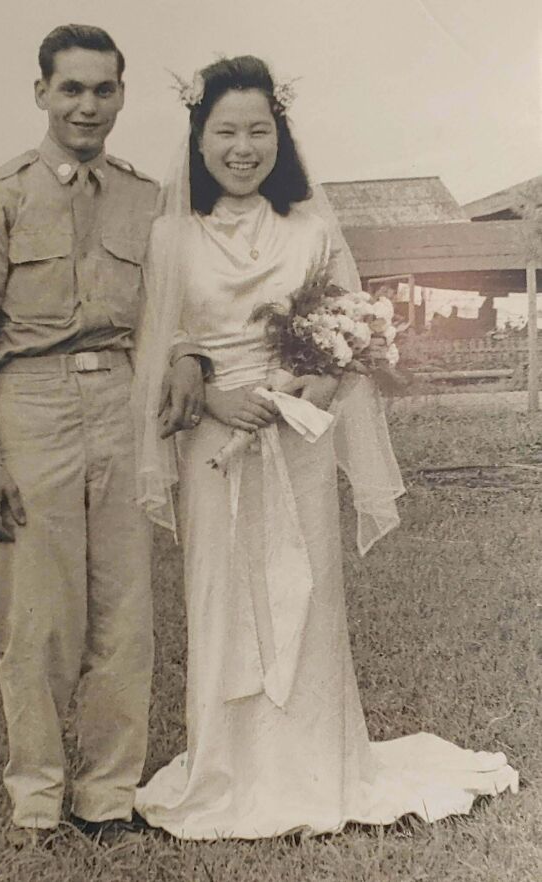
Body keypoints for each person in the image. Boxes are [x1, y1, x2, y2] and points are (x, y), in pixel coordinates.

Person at [132, 55, 518, 840]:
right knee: (221, 597)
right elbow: (159, 341)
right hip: (215, 440)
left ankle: (315, 765)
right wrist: (207, 390)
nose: (243, 149)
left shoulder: (310, 228)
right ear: (199, 140)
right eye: (226, 132)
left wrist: (323, 379)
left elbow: (357, 330)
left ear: (279, 135)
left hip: (297, 437)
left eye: (258, 131)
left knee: (306, 598)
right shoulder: (170, 235)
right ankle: (228, 771)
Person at [0, 24, 205, 846]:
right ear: (42, 94)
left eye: (104, 90)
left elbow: (177, 304)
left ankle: (107, 799)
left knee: (125, 616)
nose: (88, 105)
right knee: (35, 620)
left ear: (121, 95)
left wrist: (192, 355)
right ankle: (37, 801)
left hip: (123, 407)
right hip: (31, 407)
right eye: (72, 89)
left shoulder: (146, 195)